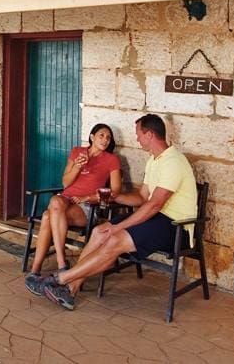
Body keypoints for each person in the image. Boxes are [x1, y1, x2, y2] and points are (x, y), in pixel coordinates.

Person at [41, 113, 197, 310]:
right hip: (155, 217)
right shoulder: (154, 161)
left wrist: (120, 227)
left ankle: (61, 278)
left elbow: (154, 204)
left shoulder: (173, 161)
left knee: (114, 238)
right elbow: (142, 198)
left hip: (175, 226)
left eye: (139, 134)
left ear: (149, 134)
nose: (137, 139)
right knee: (100, 232)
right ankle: (70, 289)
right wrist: (114, 196)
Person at [24, 123, 122, 296]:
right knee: (55, 202)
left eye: (108, 137)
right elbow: (65, 183)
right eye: (101, 135)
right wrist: (77, 166)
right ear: (92, 137)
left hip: (86, 206)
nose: (105, 140)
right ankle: (60, 265)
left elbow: (115, 191)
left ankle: (37, 270)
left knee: (47, 217)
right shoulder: (77, 151)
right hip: (65, 200)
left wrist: (90, 197)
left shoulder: (111, 160)